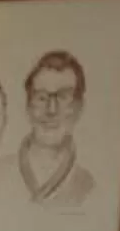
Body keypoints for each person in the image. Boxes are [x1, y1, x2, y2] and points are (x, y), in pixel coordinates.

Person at [17, 50, 94, 206]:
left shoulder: (89, 187)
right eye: (41, 97)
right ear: (28, 106)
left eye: (63, 97)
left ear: (79, 108)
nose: (51, 110)